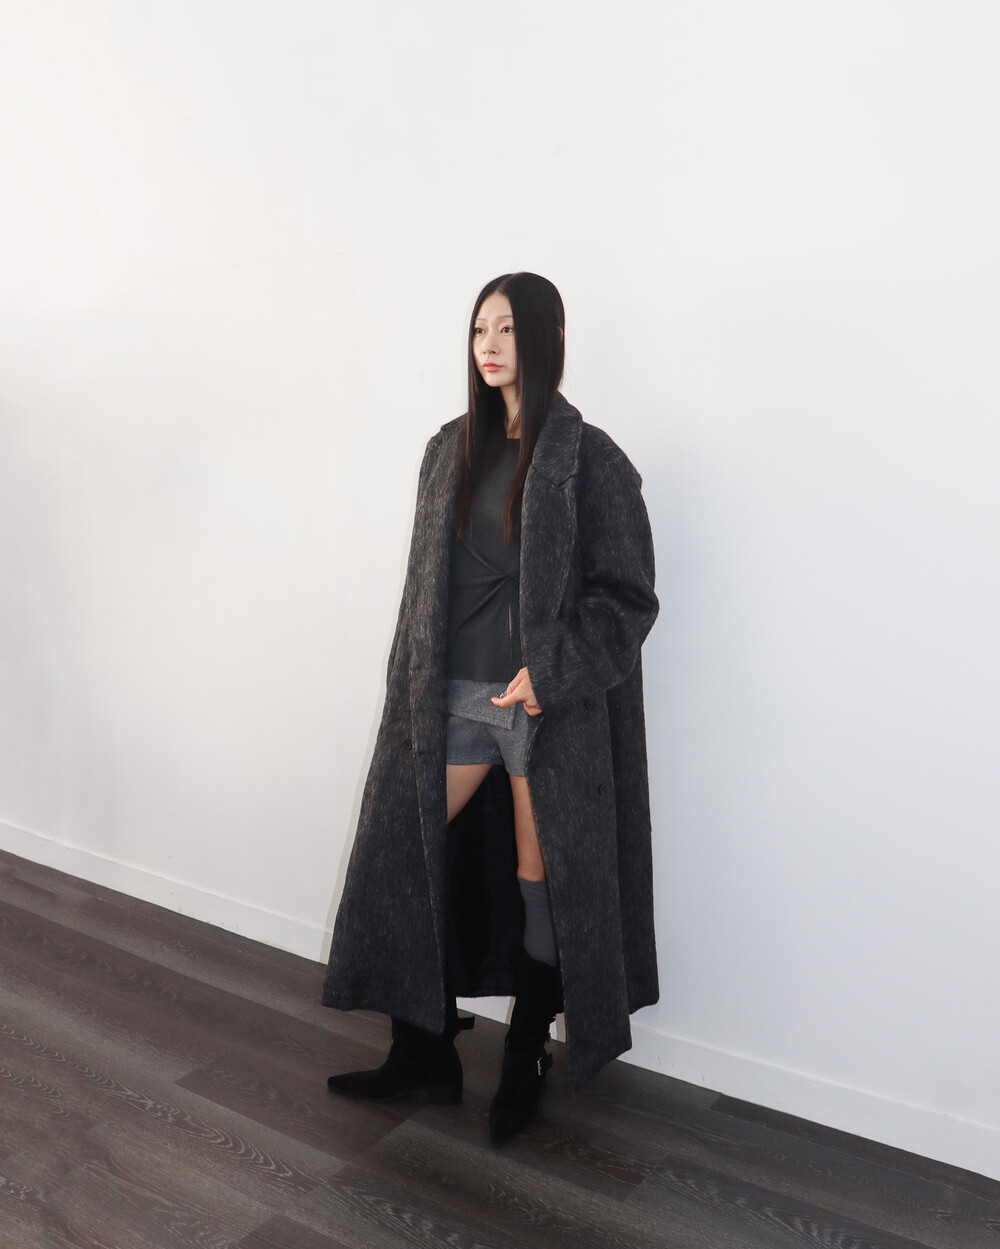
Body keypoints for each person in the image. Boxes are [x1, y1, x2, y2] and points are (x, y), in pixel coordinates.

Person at [323, 272, 659, 1145]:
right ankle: (424, 1051)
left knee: (541, 881)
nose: (490, 345)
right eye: (479, 329)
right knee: (402, 850)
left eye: (506, 328)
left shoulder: (593, 460)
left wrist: (554, 673)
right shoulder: (450, 447)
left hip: (546, 709)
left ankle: (524, 1059)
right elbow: (423, 589)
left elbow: (628, 599)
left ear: (548, 338)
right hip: (455, 696)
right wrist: (410, 685)